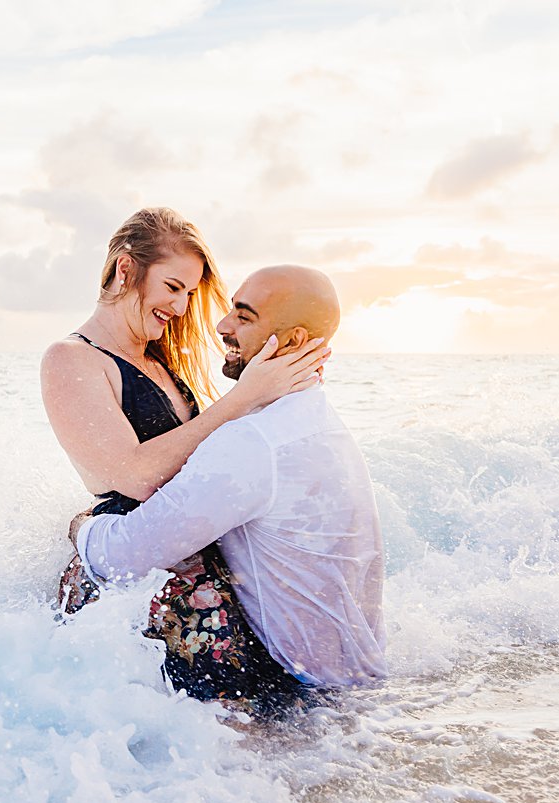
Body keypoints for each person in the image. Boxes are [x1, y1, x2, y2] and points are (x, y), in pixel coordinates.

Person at [41, 208, 329, 706]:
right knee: (215, 728)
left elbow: (214, 452)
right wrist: (244, 399)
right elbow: (133, 475)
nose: (181, 306)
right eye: (173, 286)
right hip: (134, 564)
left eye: (190, 293)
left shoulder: (159, 358)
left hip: (190, 547)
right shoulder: (71, 359)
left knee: (278, 715)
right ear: (125, 270)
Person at [73, 265, 387, 697]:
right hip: (357, 677)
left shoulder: (254, 441)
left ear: (293, 342)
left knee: (83, 569)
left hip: (303, 694)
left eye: (244, 315)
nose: (223, 326)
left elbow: (123, 556)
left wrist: (79, 527)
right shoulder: (318, 421)